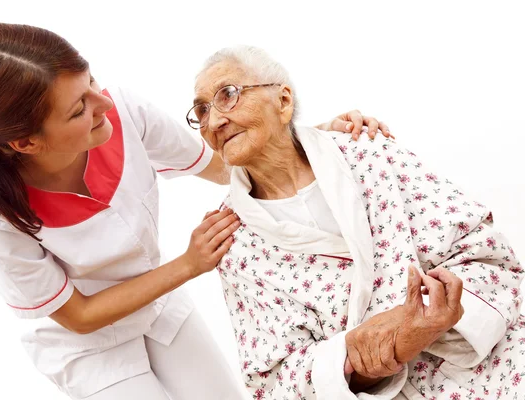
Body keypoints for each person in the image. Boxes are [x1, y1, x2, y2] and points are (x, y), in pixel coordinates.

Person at [0, 23, 389, 399]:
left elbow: (222, 164)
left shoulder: (123, 113)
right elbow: (80, 315)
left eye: (91, 81)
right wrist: (189, 265)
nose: (103, 104)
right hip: (90, 348)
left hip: (161, 308)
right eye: (78, 110)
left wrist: (317, 139)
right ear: (26, 143)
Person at [189, 45, 525, 399]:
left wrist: (426, 320)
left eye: (228, 95)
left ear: (283, 101)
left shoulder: (369, 153)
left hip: (496, 366)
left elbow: (483, 251)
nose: (214, 122)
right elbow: (274, 381)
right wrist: (360, 359)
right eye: (201, 110)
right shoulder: (234, 244)